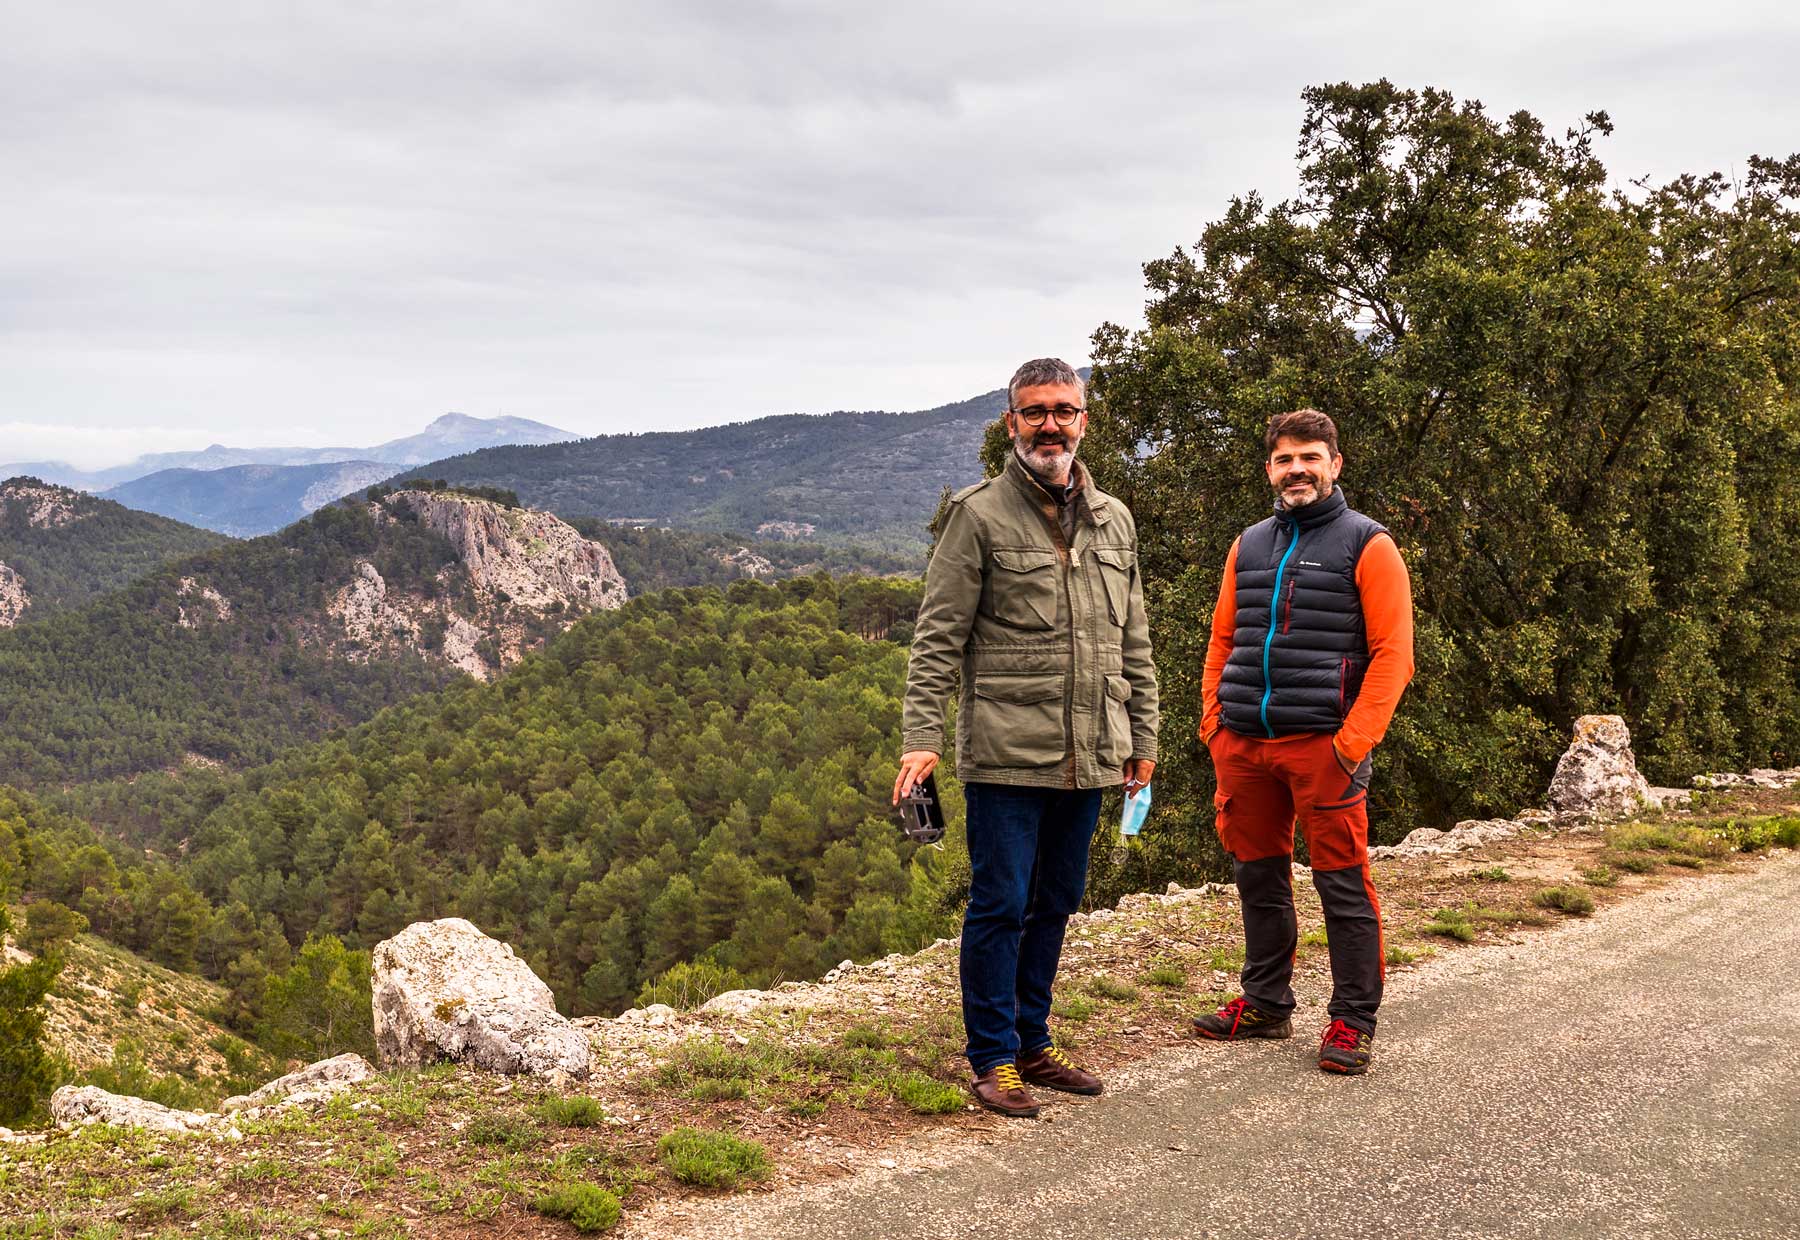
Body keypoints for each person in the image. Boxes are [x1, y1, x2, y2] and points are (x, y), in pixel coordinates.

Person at [894, 357, 1160, 1118]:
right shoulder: (977, 516)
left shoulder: (1115, 518)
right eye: (1034, 411)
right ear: (1012, 423)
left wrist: (1144, 736)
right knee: (1001, 903)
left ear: (1084, 420)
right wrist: (922, 738)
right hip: (1007, 753)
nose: (1051, 424)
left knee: (1056, 901)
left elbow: (1132, 639)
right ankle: (992, 1058)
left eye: (1064, 410)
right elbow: (937, 638)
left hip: (1094, 750)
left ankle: (1033, 1044)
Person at [1191, 409, 1414, 1075]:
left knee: (1343, 887)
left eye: (1310, 457)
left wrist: (1350, 745)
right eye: (1285, 459)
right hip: (1246, 746)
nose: (1297, 469)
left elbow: (1394, 655)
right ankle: (1264, 1004)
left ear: (1335, 464)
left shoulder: (1368, 544)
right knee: (1258, 880)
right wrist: (1215, 727)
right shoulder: (1249, 544)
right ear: (1270, 470)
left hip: (1324, 747)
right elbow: (1222, 640)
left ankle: (1351, 1022)